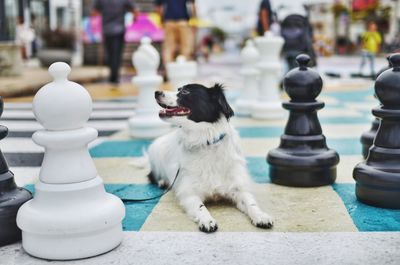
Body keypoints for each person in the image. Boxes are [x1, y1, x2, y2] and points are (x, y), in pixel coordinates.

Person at [92, 0, 139, 85]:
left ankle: (113, 76)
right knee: (116, 55)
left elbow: (94, 12)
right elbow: (135, 10)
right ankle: (114, 76)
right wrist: (134, 19)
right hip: (119, 30)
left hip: (107, 30)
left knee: (110, 54)